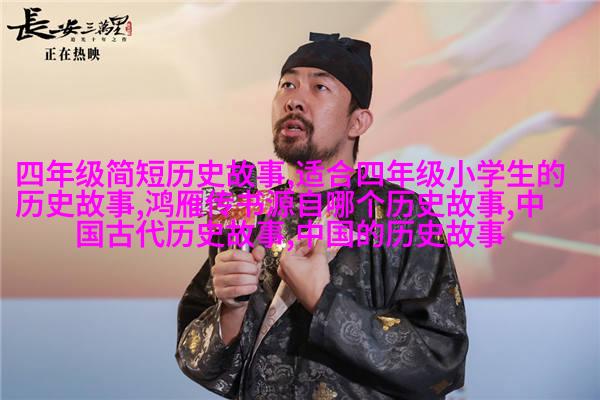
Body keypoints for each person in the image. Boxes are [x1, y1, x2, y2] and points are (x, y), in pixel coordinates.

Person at [176, 32, 468, 399]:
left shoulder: (402, 215)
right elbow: (195, 361)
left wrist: (323, 301)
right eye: (287, 85)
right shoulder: (246, 213)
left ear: (357, 122)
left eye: (320, 88)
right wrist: (231, 310)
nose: (294, 100)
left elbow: (441, 362)